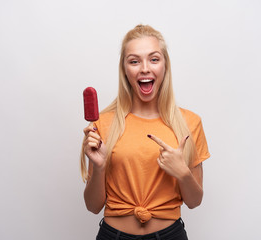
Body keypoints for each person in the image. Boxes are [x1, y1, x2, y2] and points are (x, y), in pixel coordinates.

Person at [80, 24, 210, 240]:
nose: (144, 68)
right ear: (125, 70)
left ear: (165, 66)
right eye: (134, 61)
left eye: (154, 59)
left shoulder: (189, 122)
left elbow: (195, 201)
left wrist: (182, 172)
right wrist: (99, 166)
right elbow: (93, 206)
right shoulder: (102, 124)